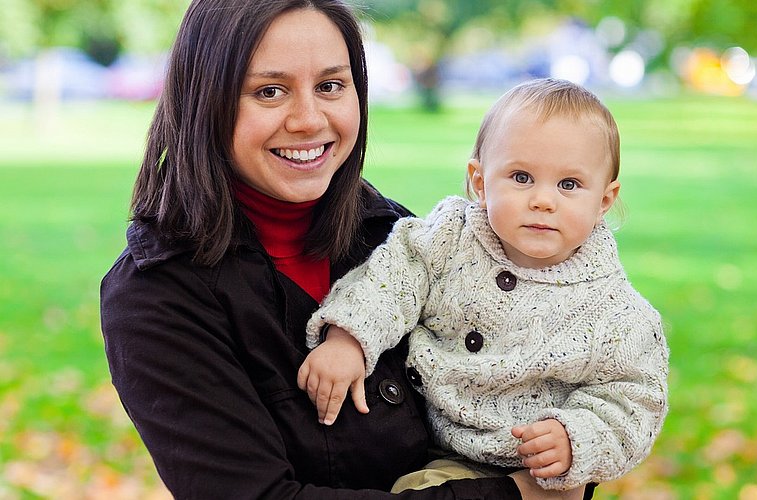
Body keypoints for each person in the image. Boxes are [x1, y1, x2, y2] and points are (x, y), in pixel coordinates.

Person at [100, 0, 542, 497]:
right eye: (270, 91)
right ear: (205, 100)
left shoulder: (398, 237)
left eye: (331, 86)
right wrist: (520, 494)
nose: (309, 120)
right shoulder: (156, 297)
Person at [299, 79, 670, 496]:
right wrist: (350, 337)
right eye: (521, 176)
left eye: (569, 185)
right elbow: (391, 279)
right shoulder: (449, 239)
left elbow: (634, 400)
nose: (543, 200)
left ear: (604, 199)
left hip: (531, 470)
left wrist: (576, 439)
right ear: (479, 180)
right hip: (428, 438)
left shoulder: (616, 313)